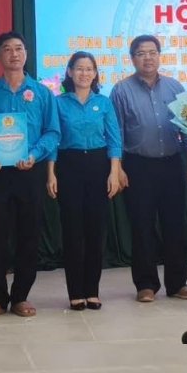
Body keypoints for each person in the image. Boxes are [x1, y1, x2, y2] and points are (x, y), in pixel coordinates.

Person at [0, 31, 60, 319]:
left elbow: (52, 132)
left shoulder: (43, 93)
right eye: (6, 49)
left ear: (26, 54)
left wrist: (34, 154)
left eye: (18, 48)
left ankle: (21, 296)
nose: (13, 54)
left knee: (28, 234)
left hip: (29, 171)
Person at [110, 35, 187, 303]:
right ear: (132, 58)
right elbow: (116, 132)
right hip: (137, 166)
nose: (147, 58)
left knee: (174, 225)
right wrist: (119, 168)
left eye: (152, 52)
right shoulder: (121, 90)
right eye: (141, 53)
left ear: (160, 55)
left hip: (172, 163)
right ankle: (146, 285)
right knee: (142, 226)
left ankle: (177, 283)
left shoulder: (174, 87)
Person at [46, 52, 123, 310]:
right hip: (69, 165)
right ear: (69, 72)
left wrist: (114, 172)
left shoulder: (103, 102)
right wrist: (51, 173)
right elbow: (54, 140)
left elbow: (114, 140)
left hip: (99, 166)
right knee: (72, 231)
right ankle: (75, 292)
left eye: (89, 69)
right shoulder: (58, 103)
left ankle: (92, 290)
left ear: (95, 73)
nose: (84, 73)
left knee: (95, 231)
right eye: (79, 68)